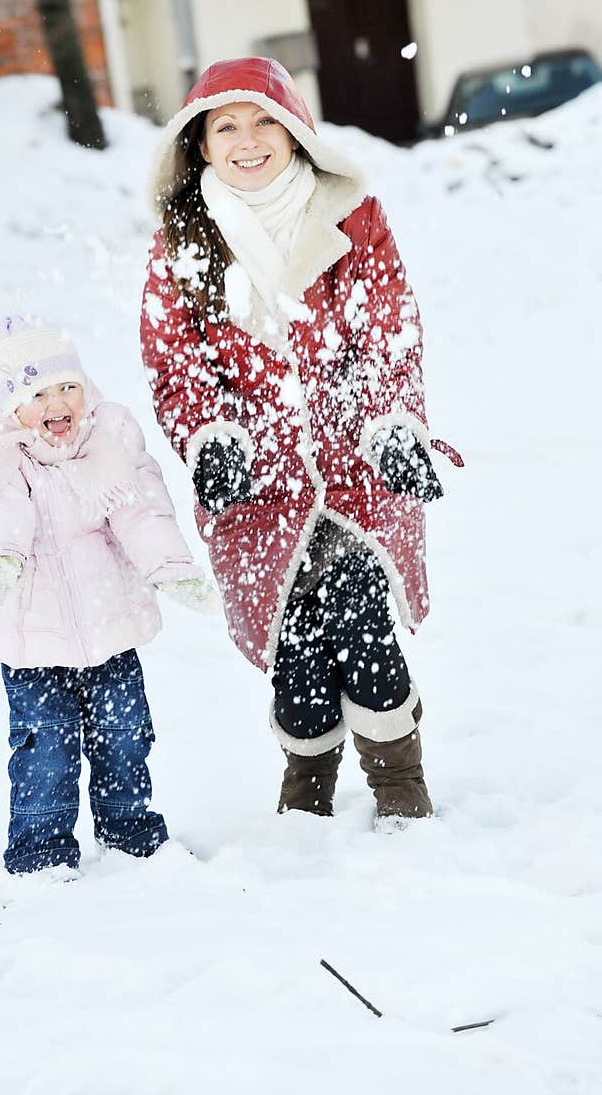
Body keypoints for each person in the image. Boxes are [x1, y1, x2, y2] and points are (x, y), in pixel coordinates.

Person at [139, 57, 461, 822]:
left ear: (294, 132)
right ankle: (308, 791)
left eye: (264, 122)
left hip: (356, 474)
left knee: (364, 625)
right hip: (256, 493)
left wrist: (390, 423)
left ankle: (398, 787)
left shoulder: (352, 218)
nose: (248, 141)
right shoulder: (180, 246)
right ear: (200, 144)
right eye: (226, 127)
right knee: (299, 657)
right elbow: (174, 363)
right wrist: (210, 437)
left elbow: (389, 332)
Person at [0, 313, 219, 875]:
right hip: (33, 644)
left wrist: (170, 566)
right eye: (37, 392)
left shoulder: (108, 440)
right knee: (45, 752)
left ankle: (131, 835)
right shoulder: (0, 457)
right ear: (8, 406)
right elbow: (0, 515)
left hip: (110, 628)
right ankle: (41, 853)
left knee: (125, 736)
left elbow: (140, 507)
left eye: (68, 386)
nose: (57, 403)